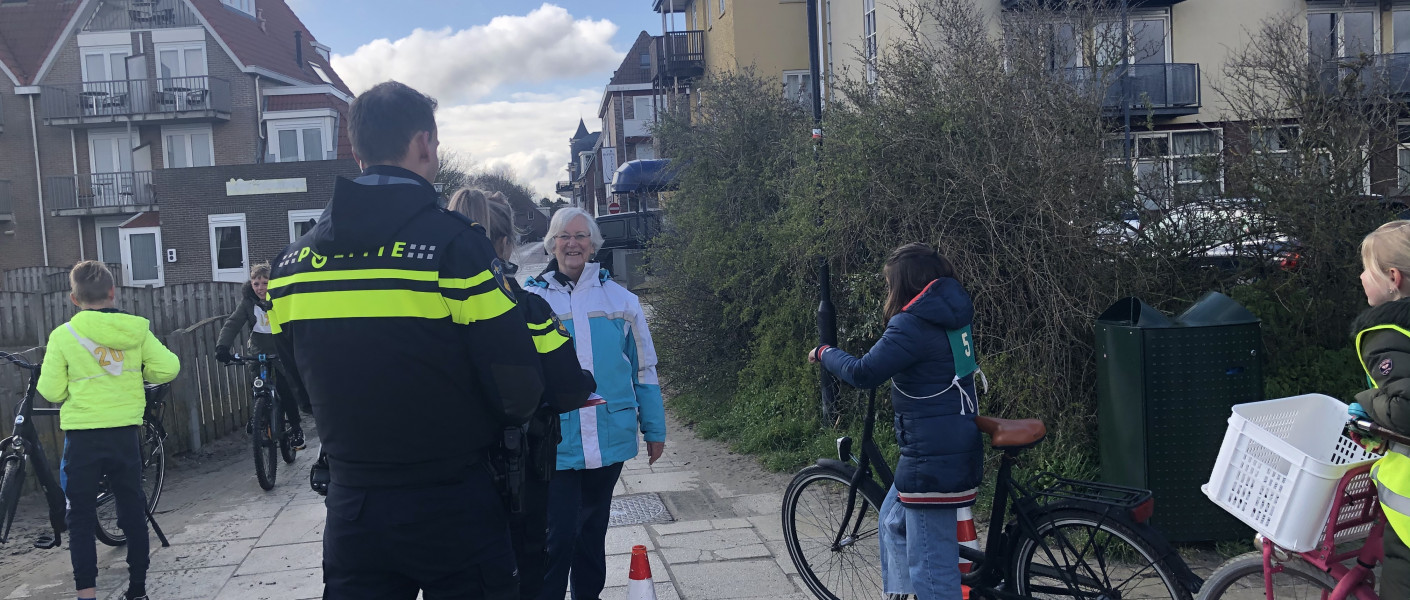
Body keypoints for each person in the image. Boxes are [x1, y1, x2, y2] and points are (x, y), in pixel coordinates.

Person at [266, 81, 545, 599]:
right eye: (435, 146)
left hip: (353, 510)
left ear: (356, 150)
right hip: (453, 502)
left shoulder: (290, 267)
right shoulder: (456, 250)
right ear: (424, 143)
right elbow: (518, 388)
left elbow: (302, 391)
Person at [808, 242, 982, 599]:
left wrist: (825, 352)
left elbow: (863, 373)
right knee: (891, 521)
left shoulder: (912, 324)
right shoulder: (952, 313)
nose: (888, 291)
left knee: (932, 571)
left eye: (890, 284)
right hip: (954, 439)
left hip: (930, 457)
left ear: (903, 284)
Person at [448, 188, 596, 600]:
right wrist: (587, 380)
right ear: (505, 243)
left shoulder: (426, 310)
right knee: (525, 572)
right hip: (519, 475)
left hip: (443, 478)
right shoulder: (528, 309)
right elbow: (568, 390)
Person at [527, 207, 665, 600]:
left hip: (608, 437)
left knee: (591, 531)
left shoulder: (622, 300)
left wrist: (653, 428)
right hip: (556, 438)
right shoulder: (532, 299)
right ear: (551, 244)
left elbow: (644, 369)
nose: (573, 243)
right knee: (559, 534)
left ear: (593, 244)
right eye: (564, 236)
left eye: (581, 236)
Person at [37, 261, 180, 600]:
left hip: (82, 439)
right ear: (113, 292)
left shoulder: (63, 336)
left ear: (74, 298)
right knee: (132, 510)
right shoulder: (136, 331)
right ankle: (138, 590)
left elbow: (52, 392)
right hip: (124, 437)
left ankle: (87, 594)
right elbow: (169, 368)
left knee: (81, 518)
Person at [1348, 220, 1410, 599]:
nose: (1360, 276)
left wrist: (1366, 401)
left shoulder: (1389, 335)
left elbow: (1404, 408)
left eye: (1367, 270)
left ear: (1392, 277)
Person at [215, 262, 305, 450]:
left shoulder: (280, 298)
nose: (260, 288)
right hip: (257, 350)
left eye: (265, 283)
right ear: (251, 284)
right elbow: (233, 323)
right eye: (256, 284)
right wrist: (222, 347)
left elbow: (295, 323)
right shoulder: (248, 303)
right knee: (256, 384)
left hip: (280, 350)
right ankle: (260, 418)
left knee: (285, 387)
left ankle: (296, 428)